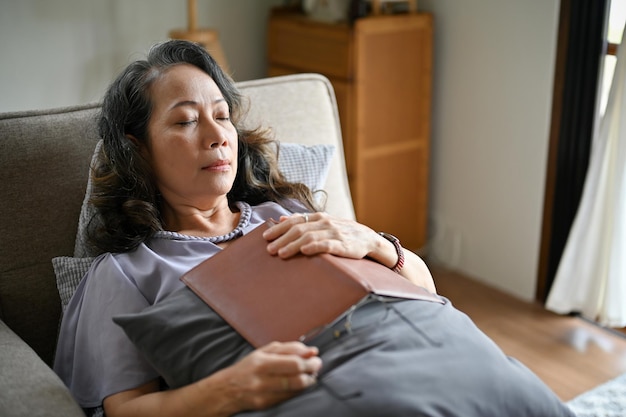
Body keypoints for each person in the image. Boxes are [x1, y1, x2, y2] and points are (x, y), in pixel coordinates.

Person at [54, 40, 574, 417]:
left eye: (222, 115)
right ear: (138, 146)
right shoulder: (126, 271)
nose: (218, 136)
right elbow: (125, 409)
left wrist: (373, 243)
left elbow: (424, 291)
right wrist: (230, 390)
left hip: (439, 348)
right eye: (186, 120)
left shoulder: (284, 214)